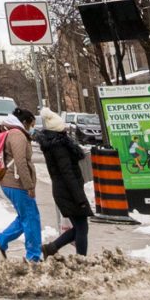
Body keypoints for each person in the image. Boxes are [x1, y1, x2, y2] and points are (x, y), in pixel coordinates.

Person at [36, 110, 93, 258]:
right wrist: (79, 198)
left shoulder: (55, 144)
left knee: (80, 227)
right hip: (68, 191)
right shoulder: (59, 147)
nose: (66, 129)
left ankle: (51, 248)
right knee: (81, 227)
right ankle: (81, 259)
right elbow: (67, 173)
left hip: (64, 190)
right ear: (58, 129)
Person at [0, 105, 42, 264]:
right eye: (32, 125)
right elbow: (20, 162)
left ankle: (1, 240)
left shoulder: (12, 132)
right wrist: (29, 186)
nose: (32, 128)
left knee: (25, 217)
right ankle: (33, 256)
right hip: (16, 183)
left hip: (10, 181)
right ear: (25, 122)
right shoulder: (18, 135)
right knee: (31, 218)